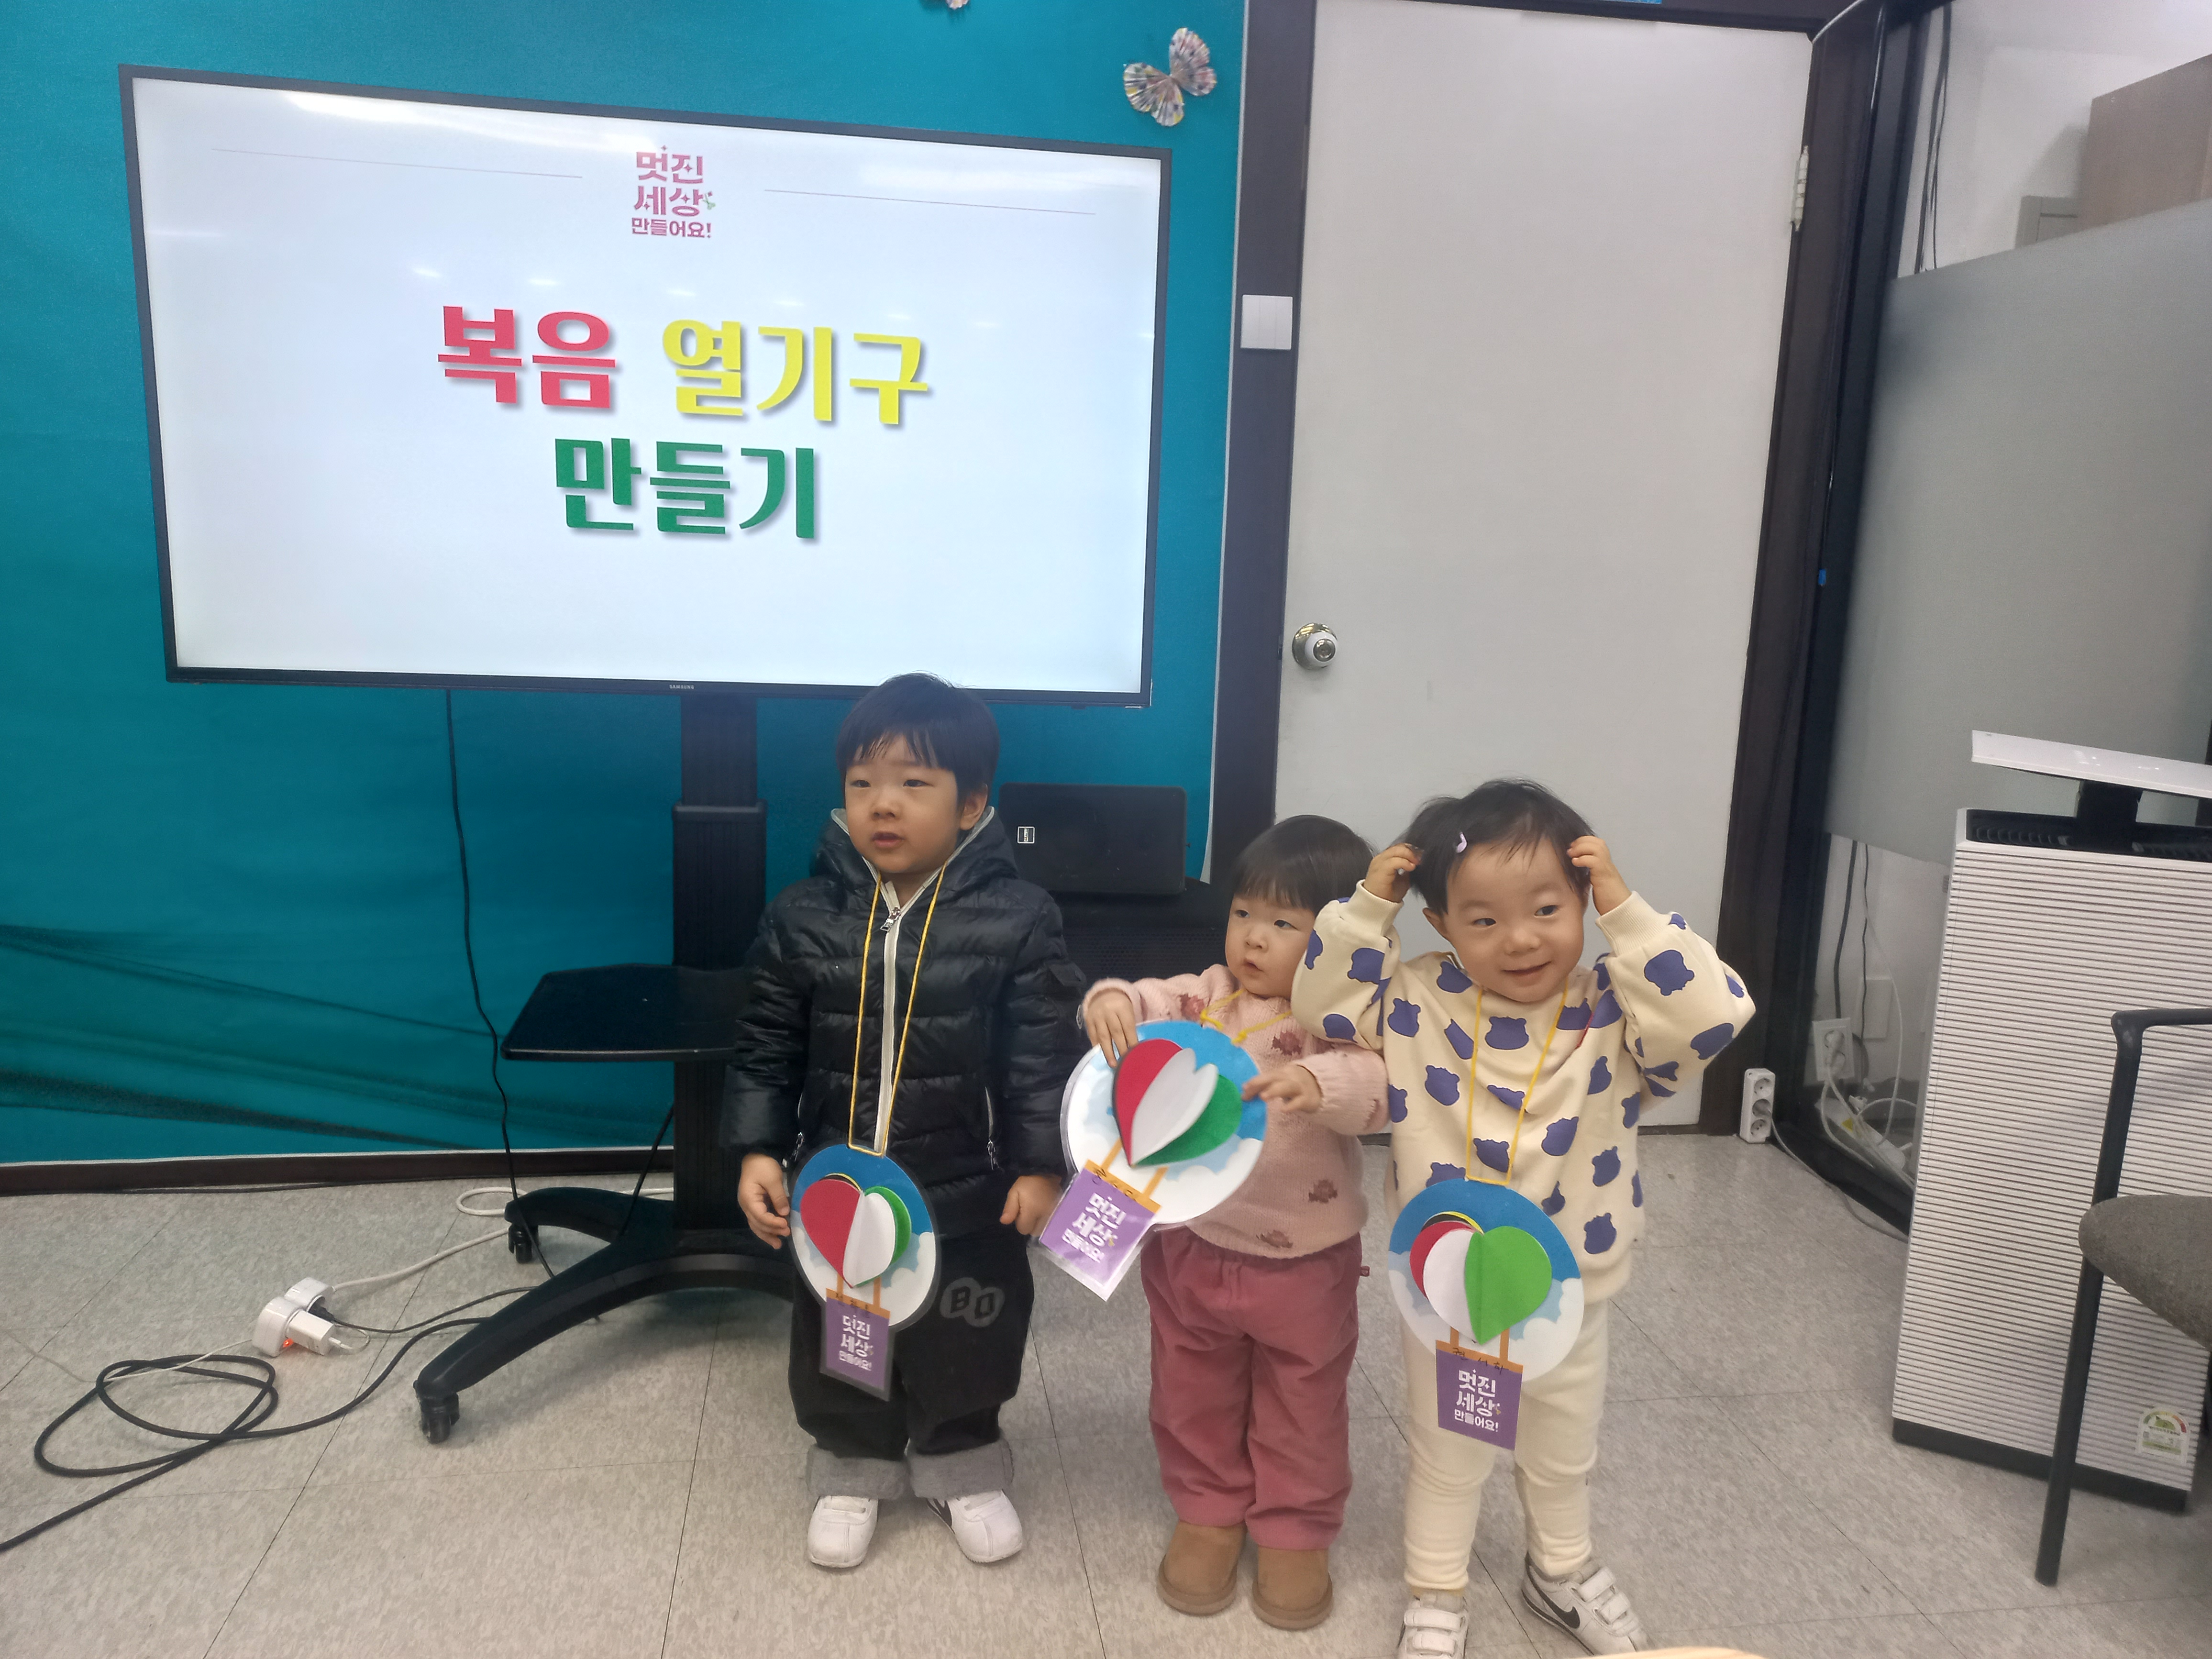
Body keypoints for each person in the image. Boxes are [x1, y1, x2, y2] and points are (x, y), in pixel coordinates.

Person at [1293, 780, 1753, 1659]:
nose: (1522, 939)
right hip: (1452, 1289)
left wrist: (1628, 914)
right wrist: (1366, 910)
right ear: (1440, 924)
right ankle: (1436, 1591)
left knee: (1563, 1444)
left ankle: (1561, 1569)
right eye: (1485, 920)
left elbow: (1713, 1016)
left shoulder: (1615, 1009)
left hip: (1575, 1283)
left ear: (1582, 901)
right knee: (1451, 1451)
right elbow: (1322, 1006)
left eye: (1548, 909)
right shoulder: (1415, 1000)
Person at [727, 673, 1085, 1571]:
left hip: (968, 1184)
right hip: (838, 1185)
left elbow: (1041, 1056)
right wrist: (759, 1148)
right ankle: (855, 1460)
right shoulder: (803, 915)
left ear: (971, 805)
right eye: (862, 784)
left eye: (913, 784)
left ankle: (962, 1459)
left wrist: (1042, 1166)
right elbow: (765, 1044)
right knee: (842, 1326)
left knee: (969, 1329)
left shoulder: (1019, 919)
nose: (882, 805)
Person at [1080, 815, 1389, 1631]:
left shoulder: (1340, 1018)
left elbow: (1378, 1090)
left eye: (1285, 924)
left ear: (1337, 942)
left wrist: (1321, 1085)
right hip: (1193, 1246)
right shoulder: (1207, 995)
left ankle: (1296, 1527)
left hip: (1304, 1262)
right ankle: (1208, 1509)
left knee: (1303, 1400)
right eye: (1245, 912)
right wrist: (1111, 1001)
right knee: (1192, 1388)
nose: (1253, 937)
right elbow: (1145, 999)